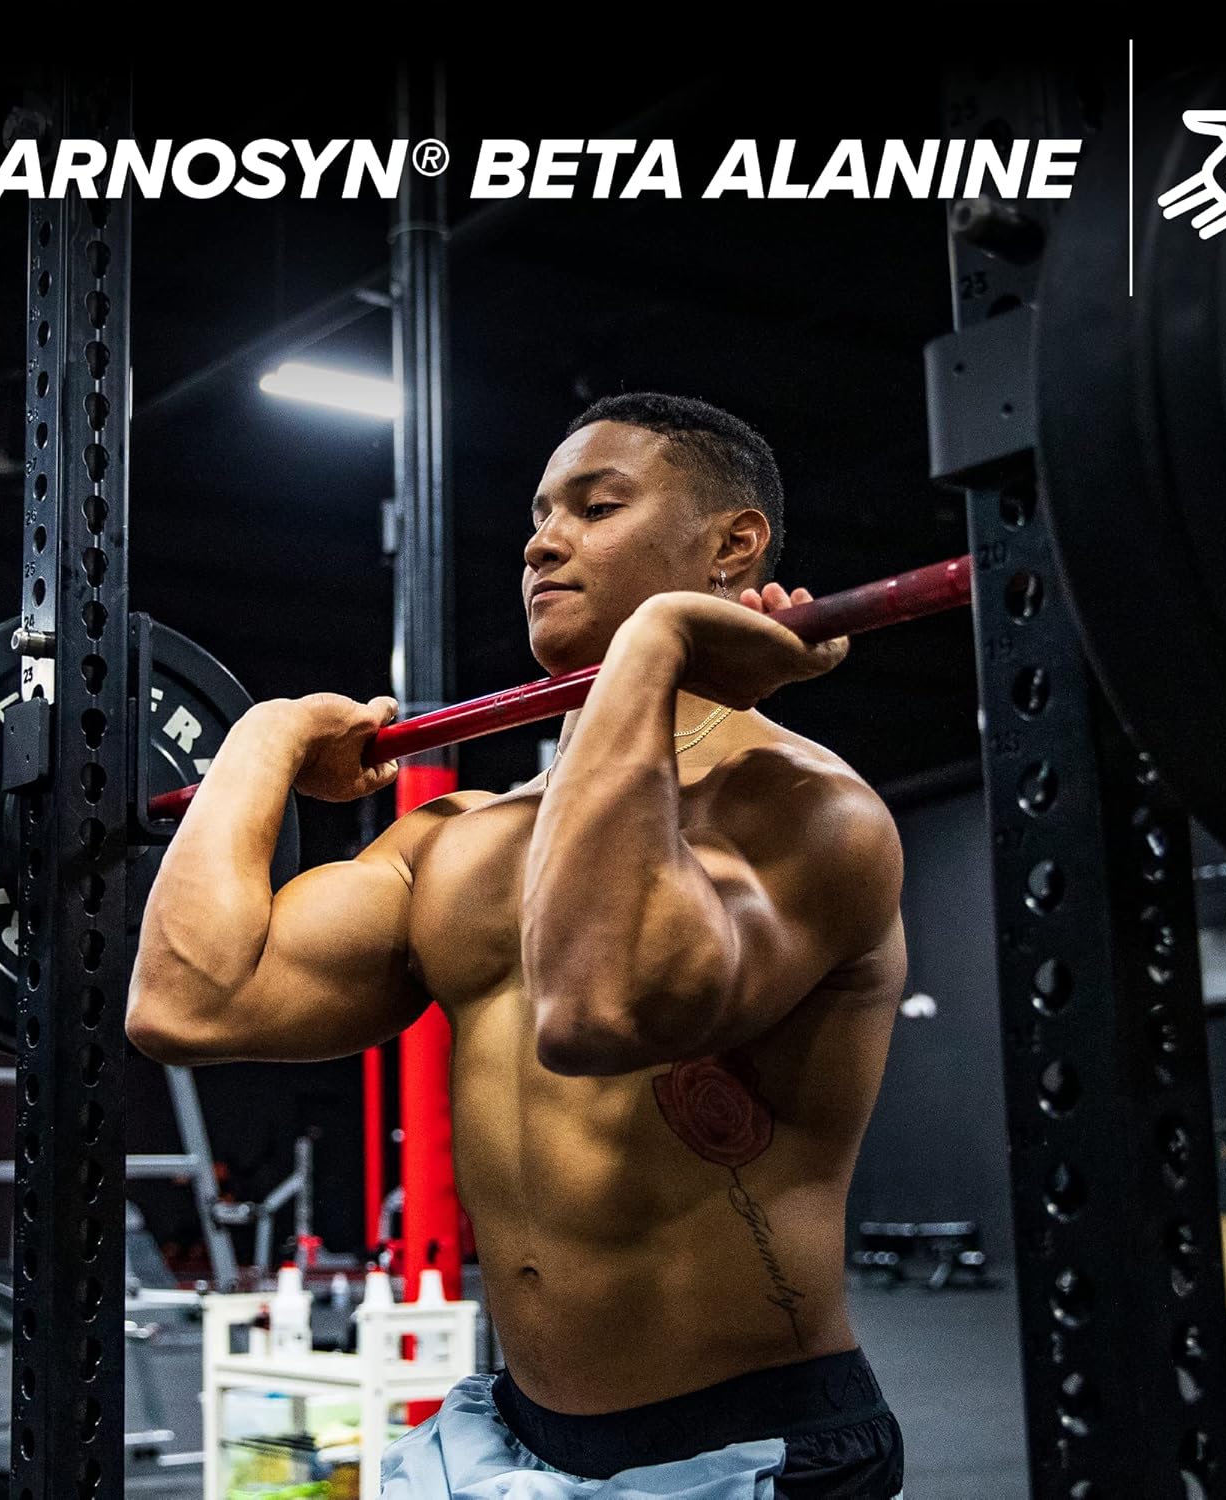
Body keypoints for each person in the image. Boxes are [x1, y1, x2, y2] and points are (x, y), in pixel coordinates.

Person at [128, 392, 907, 1498]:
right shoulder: (457, 839)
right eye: (540, 515)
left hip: (748, 1453)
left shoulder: (799, 811)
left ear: (734, 543)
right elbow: (187, 1002)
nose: (544, 540)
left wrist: (657, 645)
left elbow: (599, 1006)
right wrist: (266, 736)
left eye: (598, 505)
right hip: (515, 1439)